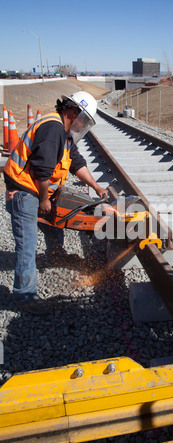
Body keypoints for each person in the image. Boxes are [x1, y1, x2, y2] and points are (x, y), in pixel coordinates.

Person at [4, 91, 109, 313]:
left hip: (37, 188)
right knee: (27, 242)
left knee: (55, 219)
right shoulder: (53, 129)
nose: (83, 126)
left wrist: (97, 186)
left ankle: (55, 254)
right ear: (73, 111)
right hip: (24, 190)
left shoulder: (66, 133)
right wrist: (44, 200)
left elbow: (76, 162)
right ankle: (25, 297)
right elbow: (42, 170)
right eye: (84, 120)